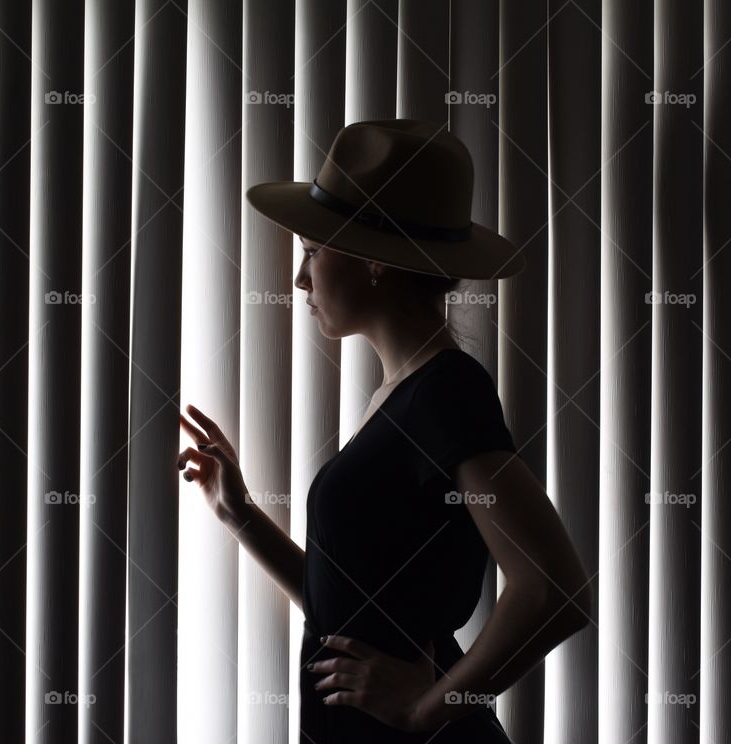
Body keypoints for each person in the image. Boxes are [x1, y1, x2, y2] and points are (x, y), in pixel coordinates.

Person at [178, 120, 592, 743]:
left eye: (314, 250)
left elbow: (555, 591)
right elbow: (350, 609)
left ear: (374, 259)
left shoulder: (447, 393)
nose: (300, 278)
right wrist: (239, 515)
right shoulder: (400, 397)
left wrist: (420, 714)